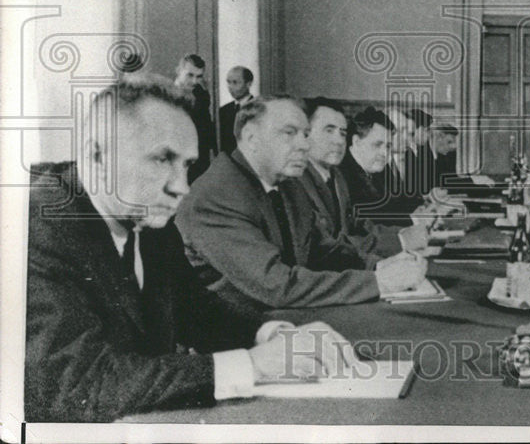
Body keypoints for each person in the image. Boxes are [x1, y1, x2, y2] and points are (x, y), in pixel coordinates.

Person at [25, 76, 356, 422]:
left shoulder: (145, 215)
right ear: (96, 155)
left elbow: (194, 309)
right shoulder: (38, 226)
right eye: (161, 159)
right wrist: (253, 364)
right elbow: (78, 386)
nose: (182, 187)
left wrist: (276, 335)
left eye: (185, 164)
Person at [175, 96, 426, 314]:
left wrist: (377, 265)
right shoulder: (216, 195)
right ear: (251, 138)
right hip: (244, 336)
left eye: (305, 134)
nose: (305, 145)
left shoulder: (287, 184)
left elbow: (321, 248)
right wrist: (378, 282)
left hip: (291, 317)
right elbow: (275, 284)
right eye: (289, 133)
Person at [297, 97, 408, 259]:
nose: (339, 140)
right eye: (329, 130)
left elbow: (362, 226)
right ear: (306, 134)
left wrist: (406, 236)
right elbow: (327, 248)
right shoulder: (296, 183)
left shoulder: (337, 177)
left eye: (342, 133)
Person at [174, 53, 217, 183]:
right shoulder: (166, 94)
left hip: (199, 161)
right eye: (190, 75)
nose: (194, 81)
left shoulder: (202, 95)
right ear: (179, 71)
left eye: (199, 77)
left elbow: (206, 126)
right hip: (176, 160)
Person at [218, 66, 254, 154]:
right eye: (228, 82)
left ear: (248, 84)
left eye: (235, 82)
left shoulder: (257, 107)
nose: (230, 87)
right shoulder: (223, 110)